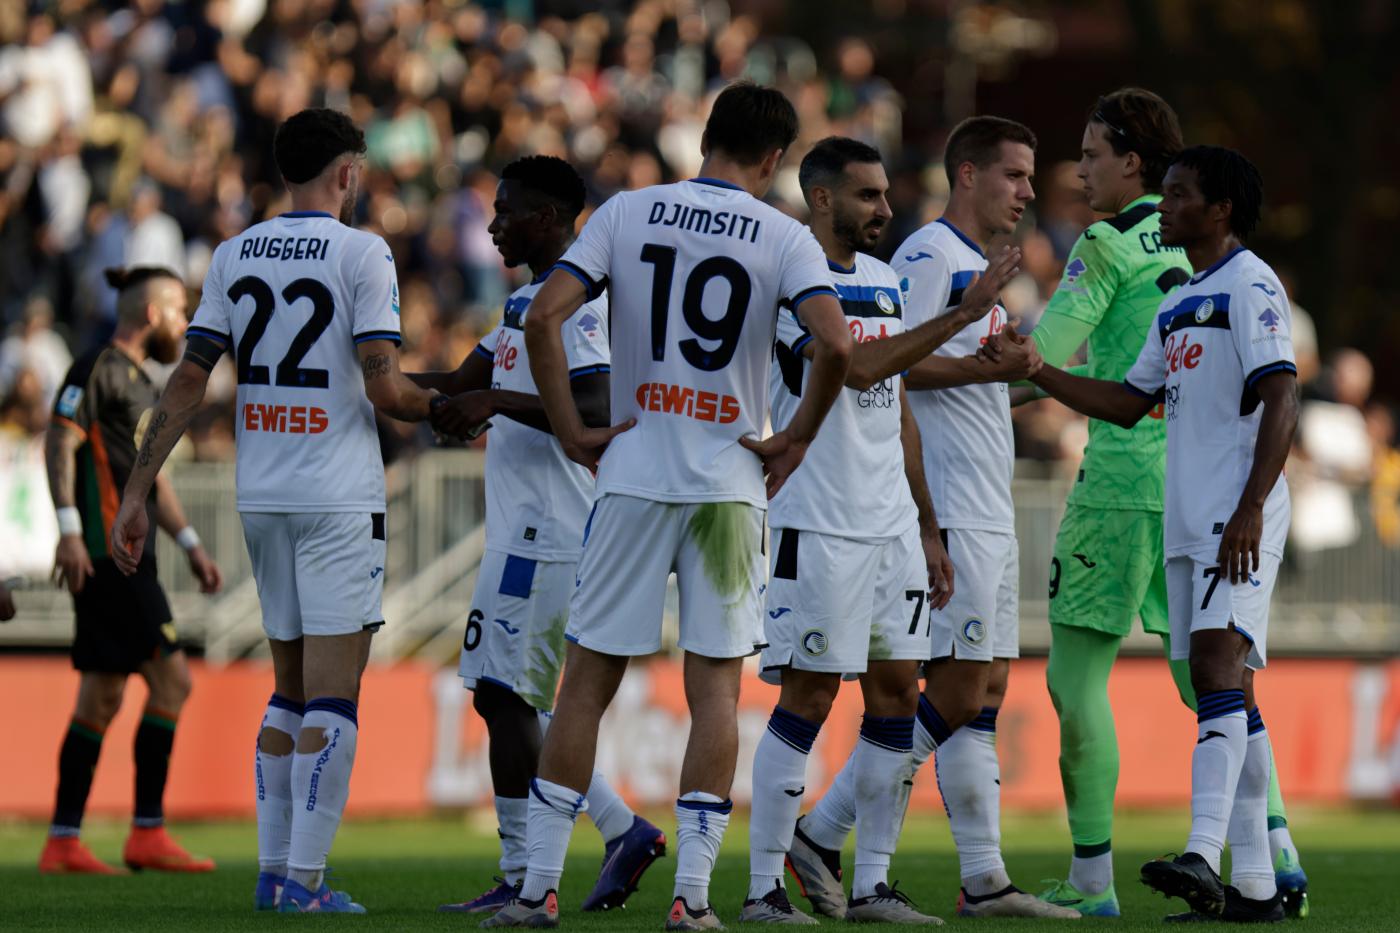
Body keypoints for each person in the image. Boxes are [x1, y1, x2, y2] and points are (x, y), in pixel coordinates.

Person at [483, 81, 853, 931]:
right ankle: (691, 898)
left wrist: (575, 429)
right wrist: (793, 435)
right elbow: (834, 343)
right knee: (715, 692)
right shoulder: (784, 236)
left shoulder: (627, 213)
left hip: (633, 469)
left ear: (704, 140)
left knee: (583, 688)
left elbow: (545, 318)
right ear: (773, 160)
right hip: (728, 483)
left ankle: (538, 887)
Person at [109, 108, 442, 914]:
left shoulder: (234, 251)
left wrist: (134, 491)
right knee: (334, 695)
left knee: (287, 689)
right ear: (349, 173)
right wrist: (467, 398)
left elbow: (187, 380)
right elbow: (385, 386)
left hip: (264, 494)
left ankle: (272, 871)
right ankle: (307, 882)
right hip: (335, 498)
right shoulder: (364, 252)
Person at [1021, 89, 1309, 919]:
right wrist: (1042, 377)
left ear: (1218, 208)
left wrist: (1255, 505)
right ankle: (1261, 876)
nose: (1166, 207)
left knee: (1202, 676)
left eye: (1181, 195)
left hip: (1207, 507)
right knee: (1224, 688)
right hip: (1181, 509)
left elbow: (1281, 395)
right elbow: (1123, 397)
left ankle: (1181, 857)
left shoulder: (1243, 282)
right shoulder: (1182, 294)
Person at [791, 116, 1076, 920]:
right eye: (1014, 176)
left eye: (1029, 178)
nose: (1026, 192)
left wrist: (1023, 373)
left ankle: (984, 877)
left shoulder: (977, 267)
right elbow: (893, 369)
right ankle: (821, 830)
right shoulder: (926, 258)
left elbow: (964, 375)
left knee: (986, 686)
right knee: (950, 689)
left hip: (988, 497)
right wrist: (929, 517)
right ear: (968, 174)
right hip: (949, 502)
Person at [750, 136, 1018, 925]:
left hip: (890, 523)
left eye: (885, 194)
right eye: (867, 195)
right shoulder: (790, 276)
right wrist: (965, 318)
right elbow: (859, 367)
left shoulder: (880, 279)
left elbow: (894, 400)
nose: (885, 208)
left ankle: (870, 885)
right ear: (823, 198)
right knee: (809, 693)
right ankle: (765, 886)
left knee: (899, 693)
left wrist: (927, 522)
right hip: (819, 518)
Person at [408, 155, 664, 914]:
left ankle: (530, 870)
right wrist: (375, 379)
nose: (492, 224)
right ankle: (612, 832)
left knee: (505, 691)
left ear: (550, 218)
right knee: (501, 695)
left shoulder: (585, 307)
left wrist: (488, 397)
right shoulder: (526, 302)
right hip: (520, 525)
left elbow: (591, 399)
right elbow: (459, 384)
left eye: (506, 209)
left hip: (553, 526)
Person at [40, 265, 224, 875]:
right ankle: (146, 832)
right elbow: (59, 438)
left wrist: (192, 544)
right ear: (151, 314)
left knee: (102, 694)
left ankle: (63, 840)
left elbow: (153, 481)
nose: (185, 322)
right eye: (178, 310)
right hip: (106, 554)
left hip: (129, 555)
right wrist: (69, 528)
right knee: (173, 683)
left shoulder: (145, 383)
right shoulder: (97, 368)